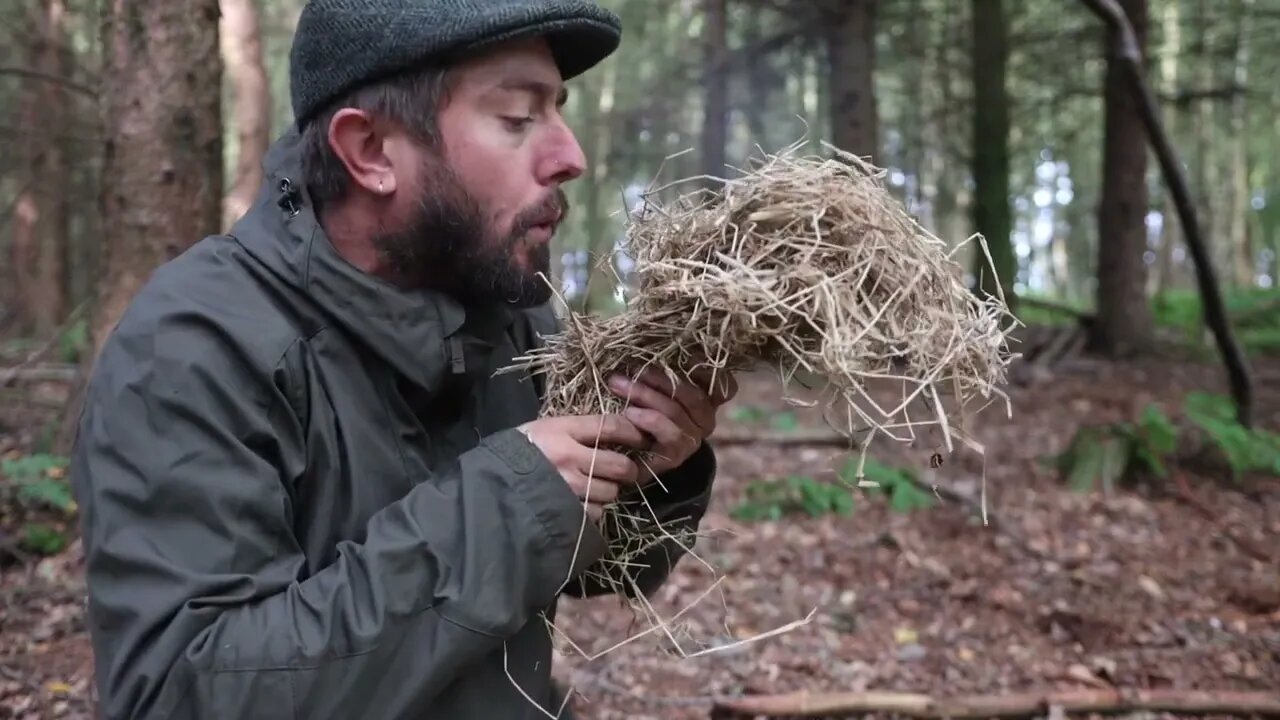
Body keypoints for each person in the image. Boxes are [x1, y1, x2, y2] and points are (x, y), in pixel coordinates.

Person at [69, 1, 736, 717]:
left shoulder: (505, 308)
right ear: (371, 152)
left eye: (559, 110)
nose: (571, 156)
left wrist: (646, 471)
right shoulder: (192, 349)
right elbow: (177, 698)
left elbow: (586, 568)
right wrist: (503, 507)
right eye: (517, 117)